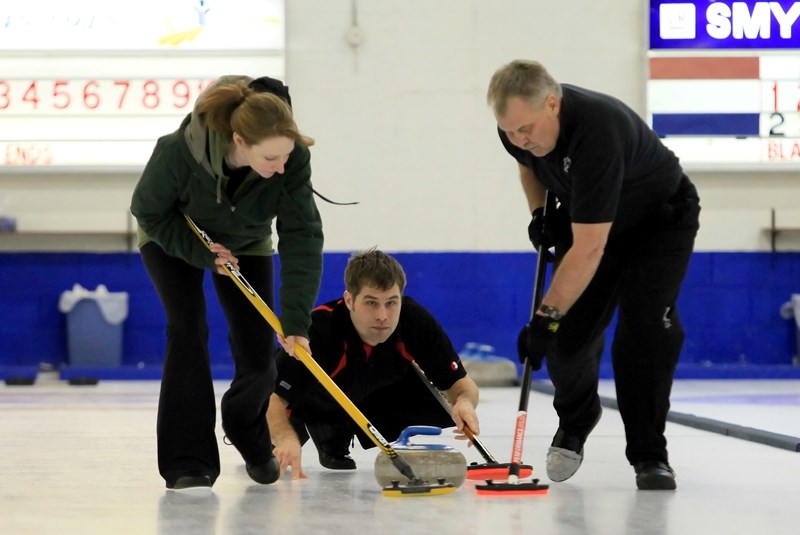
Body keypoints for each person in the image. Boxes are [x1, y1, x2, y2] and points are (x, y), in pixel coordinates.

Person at [487, 60, 701, 490]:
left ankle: (648, 455)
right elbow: (527, 164)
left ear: (553, 104)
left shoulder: (596, 131)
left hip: (658, 223)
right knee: (569, 338)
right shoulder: (516, 129)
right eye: (510, 131)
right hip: (593, 223)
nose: (519, 138)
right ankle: (578, 416)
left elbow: (589, 250)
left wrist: (544, 318)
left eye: (526, 128)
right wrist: (537, 213)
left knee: (643, 335)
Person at [130, 75, 323, 492]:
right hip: (174, 235)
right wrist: (202, 254)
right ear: (239, 141)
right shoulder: (177, 151)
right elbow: (147, 210)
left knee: (258, 352)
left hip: (247, 239)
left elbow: (302, 236)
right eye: (271, 158)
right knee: (187, 329)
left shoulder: (290, 159)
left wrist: (295, 322)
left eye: (286, 156)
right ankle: (188, 462)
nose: (282, 167)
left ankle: (246, 429)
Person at [266, 249, 480, 477]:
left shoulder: (414, 320)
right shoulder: (319, 329)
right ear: (349, 300)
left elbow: (461, 384)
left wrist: (465, 402)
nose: (382, 315)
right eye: (371, 303)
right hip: (309, 401)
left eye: (391, 303)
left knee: (441, 404)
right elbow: (271, 396)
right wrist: (284, 437)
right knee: (260, 435)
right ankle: (325, 427)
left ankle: (338, 430)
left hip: (370, 393)